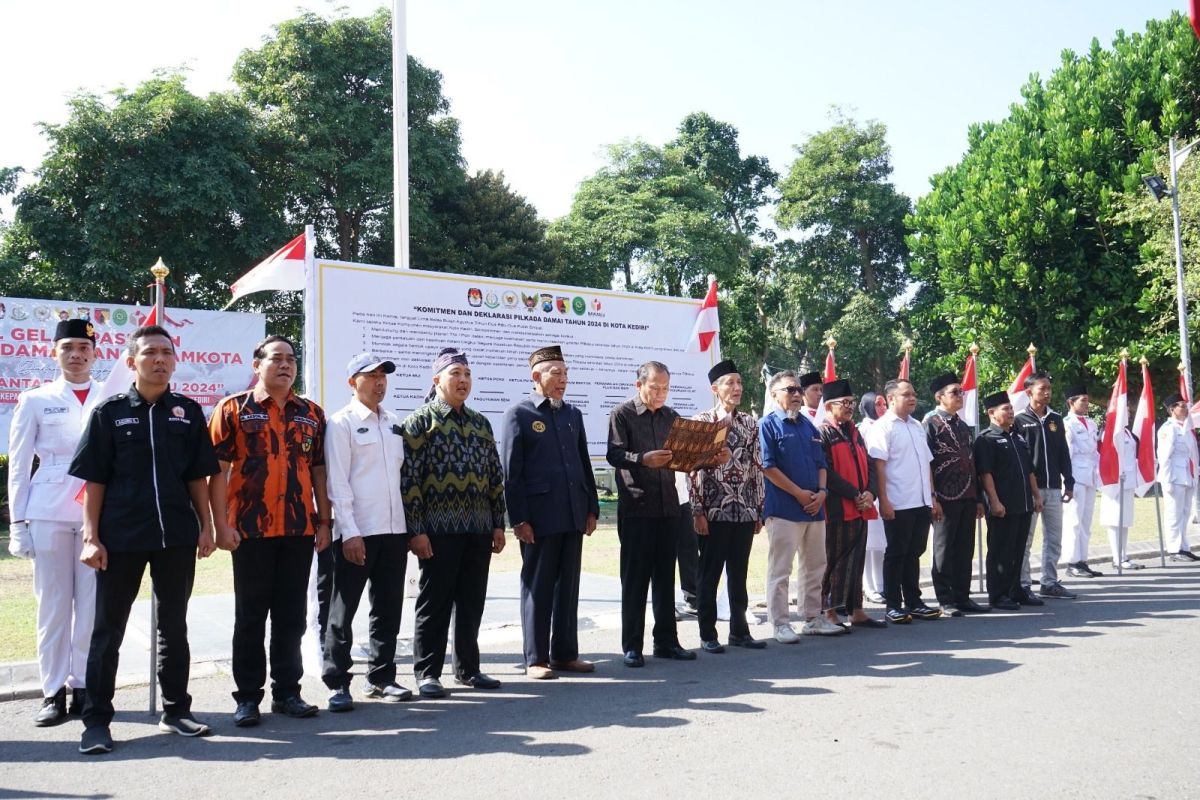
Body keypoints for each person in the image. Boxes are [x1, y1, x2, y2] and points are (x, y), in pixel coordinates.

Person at [69, 325, 220, 755]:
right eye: (150, 353)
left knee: (174, 625)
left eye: (166, 353)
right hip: (122, 536)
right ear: (131, 362)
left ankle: (176, 711)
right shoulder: (110, 413)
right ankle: (96, 722)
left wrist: (206, 526)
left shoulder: (188, 412)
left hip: (175, 534)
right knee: (108, 630)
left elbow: (198, 476)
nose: (159, 359)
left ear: (174, 361)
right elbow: (93, 481)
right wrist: (91, 536)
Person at [209, 334, 332, 726]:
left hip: (298, 529)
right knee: (250, 616)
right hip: (249, 530)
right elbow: (217, 471)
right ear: (256, 364)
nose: (286, 365)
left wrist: (325, 520)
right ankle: (247, 697)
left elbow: (318, 472)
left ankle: (287, 692)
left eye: (291, 359)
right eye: (276, 358)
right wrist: (218, 524)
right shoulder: (232, 410)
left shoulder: (311, 413)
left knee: (291, 616)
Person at [7, 319, 103, 726]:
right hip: (47, 507)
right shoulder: (35, 399)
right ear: (54, 352)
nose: (76, 354)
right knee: (53, 605)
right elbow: (18, 463)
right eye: (68, 347)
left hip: (97, 512)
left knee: (92, 605)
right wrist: (18, 522)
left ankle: (83, 685)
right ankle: (52, 692)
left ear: (95, 353)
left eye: (84, 347)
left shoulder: (111, 396)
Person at [402, 348, 507, 696]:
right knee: (435, 602)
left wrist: (497, 523)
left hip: (477, 529)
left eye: (466, 374)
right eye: (455, 374)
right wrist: (416, 531)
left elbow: (495, 475)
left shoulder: (480, 423)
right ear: (437, 380)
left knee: (472, 600)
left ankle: (468, 670)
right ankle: (427, 674)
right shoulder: (421, 421)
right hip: (438, 530)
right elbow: (410, 481)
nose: (463, 380)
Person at [501, 345, 599, 680]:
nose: (563, 380)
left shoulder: (572, 414)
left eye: (566, 373)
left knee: (568, 587)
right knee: (538, 587)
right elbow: (511, 474)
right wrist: (519, 519)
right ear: (536, 376)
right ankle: (536, 659)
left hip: (572, 513)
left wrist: (591, 509)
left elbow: (583, 463)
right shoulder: (520, 414)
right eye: (556, 373)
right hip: (539, 519)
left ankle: (565, 654)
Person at [321, 353, 412, 711]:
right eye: (370, 376)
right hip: (358, 532)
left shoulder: (393, 422)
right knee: (342, 612)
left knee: (387, 609)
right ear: (352, 383)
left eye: (383, 376)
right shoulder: (341, 423)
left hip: (394, 531)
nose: (379, 382)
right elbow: (337, 483)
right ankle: (337, 683)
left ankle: (382, 677)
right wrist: (350, 532)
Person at [606, 361, 698, 667]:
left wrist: (708, 456)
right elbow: (614, 454)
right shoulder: (623, 414)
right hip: (637, 507)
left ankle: (667, 642)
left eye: (665, 388)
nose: (660, 393)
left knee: (664, 578)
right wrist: (643, 459)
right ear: (639, 385)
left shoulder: (672, 417)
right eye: (654, 387)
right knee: (635, 580)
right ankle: (632, 645)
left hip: (669, 506)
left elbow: (684, 459)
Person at [688, 359, 767, 653]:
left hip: (744, 509)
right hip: (714, 509)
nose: (736, 388)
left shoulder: (749, 422)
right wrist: (697, 510)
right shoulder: (702, 422)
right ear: (715, 389)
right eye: (729, 383)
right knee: (709, 573)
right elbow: (692, 469)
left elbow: (757, 466)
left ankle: (739, 631)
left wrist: (759, 507)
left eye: (739, 383)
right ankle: (708, 633)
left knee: (739, 573)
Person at [760, 370, 842, 642]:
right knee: (781, 569)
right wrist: (798, 494)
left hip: (815, 508)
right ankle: (781, 624)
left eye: (798, 389)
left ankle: (812, 617)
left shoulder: (808, 425)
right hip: (784, 509)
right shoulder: (767, 425)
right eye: (789, 390)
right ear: (774, 394)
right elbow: (767, 467)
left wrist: (821, 492)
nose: (796, 394)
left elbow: (821, 464)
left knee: (816, 564)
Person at [866, 379, 941, 624]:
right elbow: (879, 466)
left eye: (913, 394)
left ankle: (914, 601)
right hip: (897, 501)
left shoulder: (917, 426)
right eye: (906, 394)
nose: (912, 398)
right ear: (890, 399)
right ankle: (893, 604)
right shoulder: (883, 427)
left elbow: (926, 464)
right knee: (896, 554)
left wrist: (932, 496)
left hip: (920, 500)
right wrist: (884, 501)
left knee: (915, 552)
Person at [817, 379, 885, 630]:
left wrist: (871, 493)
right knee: (834, 560)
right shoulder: (822, 432)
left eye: (851, 402)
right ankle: (829, 611)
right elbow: (826, 471)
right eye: (843, 403)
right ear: (828, 406)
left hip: (861, 505)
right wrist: (854, 492)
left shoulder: (855, 432)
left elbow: (869, 465)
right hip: (837, 507)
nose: (849, 407)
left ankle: (856, 610)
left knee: (856, 559)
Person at [924, 373, 987, 615]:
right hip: (944, 495)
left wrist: (978, 497)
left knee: (965, 548)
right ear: (939, 397)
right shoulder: (930, 424)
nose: (961, 396)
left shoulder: (962, 425)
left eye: (961, 392)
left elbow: (972, 462)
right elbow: (927, 463)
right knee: (944, 548)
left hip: (968, 495)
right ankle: (945, 599)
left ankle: (963, 596)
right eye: (955, 392)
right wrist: (932, 497)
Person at [974, 391, 1043, 611]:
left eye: (1011, 408)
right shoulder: (986, 439)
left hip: (1023, 503)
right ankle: (998, 594)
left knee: (1017, 549)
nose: (1011, 412)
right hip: (1003, 505)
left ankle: (1016, 590)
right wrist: (994, 502)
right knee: (1000, 551)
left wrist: (1036, 496)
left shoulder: (1018, 437)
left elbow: (1029, 470)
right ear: (992, 413)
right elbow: (986, 474)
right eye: (1006, 409)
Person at [1014, 372, 1076, 601]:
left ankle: (1049, 582)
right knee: (1026, 539)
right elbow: (1021, 458)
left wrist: (1068, 482)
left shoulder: (1055, 419)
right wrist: (1030, 489)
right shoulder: (1019, 420)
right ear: (1029, 392)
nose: (1047, 392)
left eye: (1049, 388)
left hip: (1053, 488)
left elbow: (1063, 452)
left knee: (1054, 538)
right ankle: (1023, 584)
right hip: (1031, 489)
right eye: (1042, 389)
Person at [1062, 386, 1104, 578]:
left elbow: (1095, 452)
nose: (1087, 404)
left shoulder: (1091, 423)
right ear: (1071, 402)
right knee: (1074, 520)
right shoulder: (1067, 423)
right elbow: (1067, 454)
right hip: (1075, 475)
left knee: (1086, 521)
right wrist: (1067, 481)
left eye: (1087, 400)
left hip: (1090, 475)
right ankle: (1072, 561)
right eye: (1083, 400)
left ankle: (1083, 560)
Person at [1157, 394, 1200, 563]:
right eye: (1180, 405)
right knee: (1174, 514)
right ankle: (1174, 548)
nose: (1185, 408)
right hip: (1174, 476)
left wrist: (1195, 474)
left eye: (1185, 405)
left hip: (1188, 475)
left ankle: (1184, 546)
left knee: (1185, 513)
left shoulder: (1187, 427)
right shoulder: (1168, 429)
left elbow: (1193, 453)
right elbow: (1164, 457)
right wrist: (1166, 480)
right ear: (1171, 409)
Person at [858, 392, 887, 604]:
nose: (882, 407)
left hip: (884, 490)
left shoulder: (886, 425)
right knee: (869, 544)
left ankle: (881, 584)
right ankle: (868, 586)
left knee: (881, 543)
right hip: (869, 491)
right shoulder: (864, 428)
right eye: (878, 404)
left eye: (884, 403)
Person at [1100, 422, 1141, 570]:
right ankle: (1117, 557)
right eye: (1125, 410)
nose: (1128, 414)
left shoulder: (1127, 432)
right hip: (1114, 481)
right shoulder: (1110, 432)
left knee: (1125, 520)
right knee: (1114, 519)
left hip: (1128, 480)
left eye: (1129, 411)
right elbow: (1108, 455)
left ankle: (1123, 555)